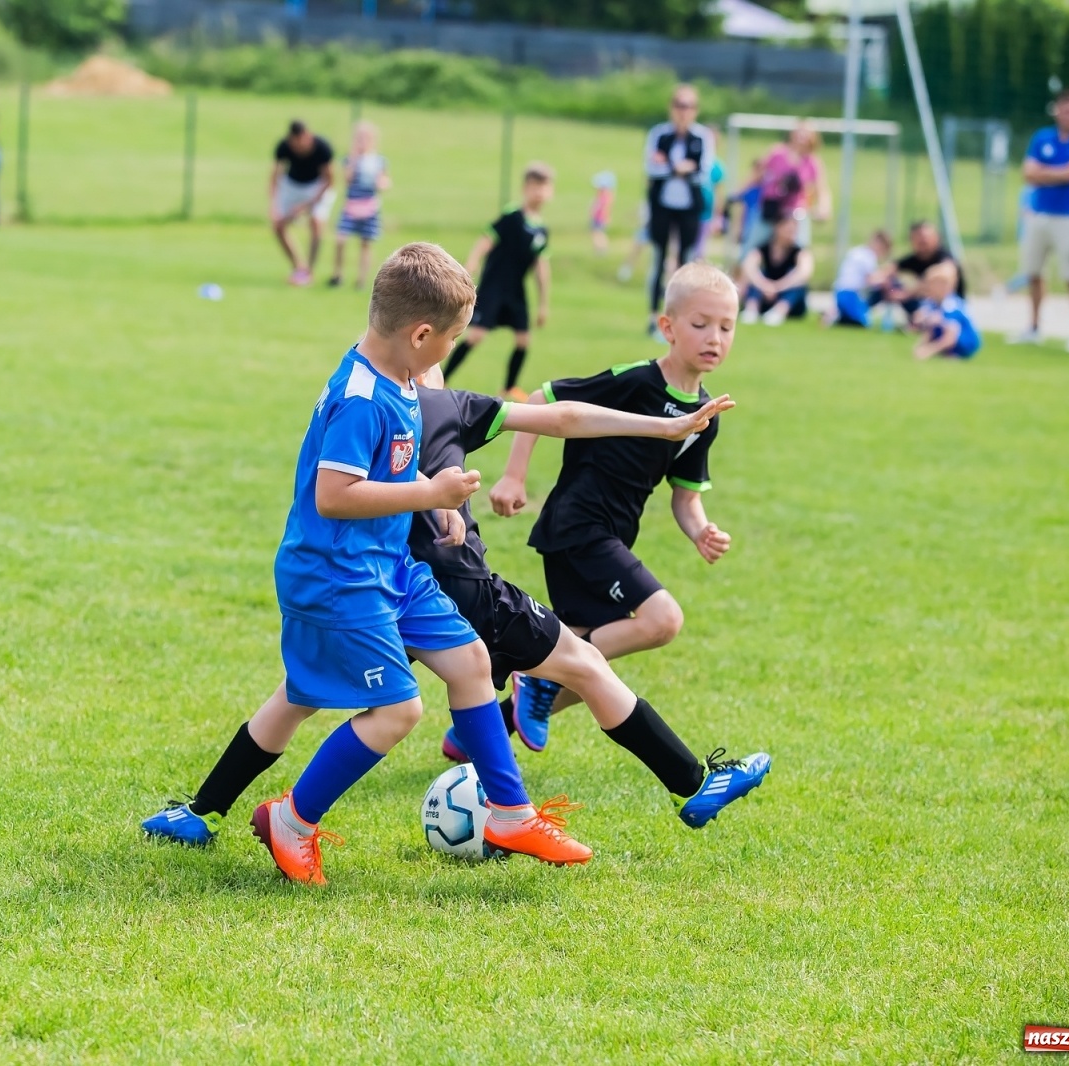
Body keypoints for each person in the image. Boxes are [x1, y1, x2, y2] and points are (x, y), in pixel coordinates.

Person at [142, 368, 768, 846]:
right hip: (455, 587)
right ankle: (687, 783)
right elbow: (560, 419)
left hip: (382, 585)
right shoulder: (443, 406)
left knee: (298, 695)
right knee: (582, 665)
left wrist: (664, 428)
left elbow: (560, 416)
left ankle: (200, 811)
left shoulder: (388, 398)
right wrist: (662, 427)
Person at [170, 243, 590, 884]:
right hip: (337, 576)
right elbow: (333, 496)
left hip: (389, 565)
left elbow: (384, 462)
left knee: (472, 662)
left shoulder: (396, 378)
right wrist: (433, 494)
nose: (450, 352)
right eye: (450, 339)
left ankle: (509, 810)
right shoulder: (363, 395)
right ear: (421, 333)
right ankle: (290, 822)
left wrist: (432, 498)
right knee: (396, 711)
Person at [487, 263, 738, 747]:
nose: (715, 337)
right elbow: (543, 398)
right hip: (579, 526)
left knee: (575, 653)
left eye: (727, 327)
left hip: (608, 536)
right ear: (667, 327)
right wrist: (515, 474)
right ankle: (533, 682)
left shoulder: (707, 415)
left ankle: (477, 733)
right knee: (662, 620)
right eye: (700, 324)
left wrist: (700, 530)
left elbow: (684, 498)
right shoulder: (635, 382)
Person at [442, 163, 553, 402]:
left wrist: (544, 303)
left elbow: (541, 266)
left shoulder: (542, 229)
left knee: (524, 340)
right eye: (535, 187)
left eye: (544, 187)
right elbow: (486, 240)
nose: (539, 193)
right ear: (525, 188)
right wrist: (470, 265)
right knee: (475, 336)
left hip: (516, 291)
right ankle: (444, 379)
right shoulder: (512, 216)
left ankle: (509, 387)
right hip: (493, 287)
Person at [1013, 89, 1069, 353]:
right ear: (1056, 111)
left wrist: (1045, 173)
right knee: (1034, 273)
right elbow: (1027, 173)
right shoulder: (1042, 138)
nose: (1067, 114)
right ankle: (1034, 327)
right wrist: (1057, 173)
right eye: (1064, 109)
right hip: (1039, 214)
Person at [643, 84, 716, 332]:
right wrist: (680, 167)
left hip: (689, 208)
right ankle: (654, 315)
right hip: (662, 205)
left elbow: (703, 172)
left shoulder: (702, 137)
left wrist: (673, 166)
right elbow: (652, 168)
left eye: (689, 107)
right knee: (659, 258)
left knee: (686, 262)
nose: (683, 112)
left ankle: (684, 317)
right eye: (679, 106)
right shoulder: (659, 134)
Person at [270, 120, 336, 286]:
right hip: (291, 186)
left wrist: (305, 207)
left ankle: (309, 271)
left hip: (317, 186)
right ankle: (299, 267)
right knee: (278, 225)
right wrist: (273, 205)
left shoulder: (322, 148)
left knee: (316, 223)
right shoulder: (284, 147)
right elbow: (275, 176)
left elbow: (329, 181)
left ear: (307, 136)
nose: (298, 146)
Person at [328, 121, 390, 290]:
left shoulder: (379, 161)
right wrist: (354, 160)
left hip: (369, 206)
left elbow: (384, 182)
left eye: (366, 138)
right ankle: (337, 274)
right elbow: (347, 180)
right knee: (341, 239)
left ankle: (361, 279)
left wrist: (381, 183)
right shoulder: (350, 159)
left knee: (365, 243)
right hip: (351, 205)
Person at [750, 122, 830, 250]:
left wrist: (823, 208)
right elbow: (757, 176)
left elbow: (821, 189)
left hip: (795, 212)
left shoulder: (812, 162)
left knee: (800, 250)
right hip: (772, 209)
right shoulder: (777, 153)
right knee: (753, 247)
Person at [739, 213, 814, 325]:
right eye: (788, 229)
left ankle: (779, 311)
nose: (791, 233)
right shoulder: (763, 248)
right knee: (760, 274)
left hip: (788, 297)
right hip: (765, 294)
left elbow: (804, 273)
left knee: (798, 284)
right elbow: (749, 267)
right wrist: (764, 285)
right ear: (778, 228)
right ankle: (751, 309)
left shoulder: (800, 252)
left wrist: (778, 287)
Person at [881, 221, 964, 321]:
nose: (922, 241)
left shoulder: (944, 257)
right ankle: (861, 314)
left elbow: (944, 274)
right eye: (918, 238)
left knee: (925, 303)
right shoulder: (915, 258)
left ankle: (918, 322)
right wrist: (888, 286)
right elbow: (889, 269)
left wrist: (906, 294)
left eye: (925, 238)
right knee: (889, 286)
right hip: (923, 302)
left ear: (935, 238)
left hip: (943, 303)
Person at [911, 261, 981, 360]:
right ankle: (942, 351)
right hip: (947, 333)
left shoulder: (952, 305)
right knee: (933, 321)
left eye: (933, 285)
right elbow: (927, 323)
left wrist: (928, 351)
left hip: (965, 341)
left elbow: (951, 334)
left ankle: (955, 353)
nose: (929, 288)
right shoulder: (932, 302)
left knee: (945, 325)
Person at [826, 229, 893, 328]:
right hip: (850, 293)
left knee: (850, 319)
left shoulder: (857, 251)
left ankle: (839, 314)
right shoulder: (868, 256)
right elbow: (871, 280)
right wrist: (885, 280)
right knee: (862, 323)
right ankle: (835, 315)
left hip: (840, 291)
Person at [589, 170, 616, 256]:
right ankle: (599, 249)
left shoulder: (606, 196)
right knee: (597, 233)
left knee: (598, 233)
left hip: (600, 218)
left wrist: (605, 217)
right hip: (597, 217)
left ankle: (601, 249)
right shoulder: (602, 195)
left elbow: (605, 208)